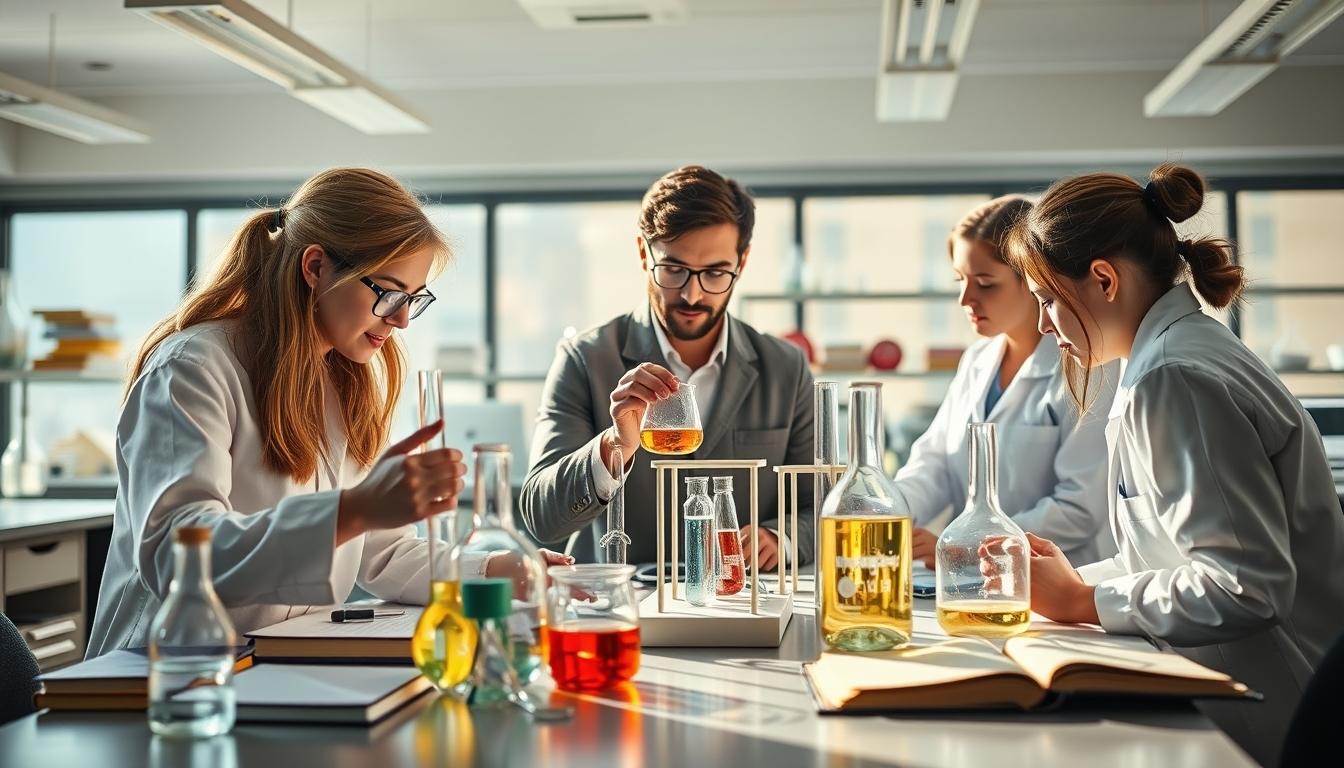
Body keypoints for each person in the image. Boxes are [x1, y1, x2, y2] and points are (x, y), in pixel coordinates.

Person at [88, 168, 567, 656]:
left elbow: (384, 551)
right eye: (389, 293)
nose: (402, 319)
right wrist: (354, 510)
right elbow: (178, 555)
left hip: (271, 664)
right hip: (160, 672)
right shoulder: (193, 367)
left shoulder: (341, 383)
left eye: (413, 299)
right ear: (315, 267)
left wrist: (498, 570)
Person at [1006, 162, 1344, 766]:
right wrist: (1074, 582)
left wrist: (1082, 603)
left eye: (1047, 300)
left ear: (1104, 279)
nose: (1042, 325)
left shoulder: (1175, 376)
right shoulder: (1172, 357)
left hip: (1275, 715)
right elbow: (1169, 560)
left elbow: (1247, 588)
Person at [521, 165, 815, 568]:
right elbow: (541, 517)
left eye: (715, 273)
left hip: (742, 596)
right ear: (644, 254)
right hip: (620, 598)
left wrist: (780, 537)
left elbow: (822, 504)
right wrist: (615, 445)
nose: (692, 295)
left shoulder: (786, 367)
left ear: (742, 262)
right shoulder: (584, 359)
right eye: (674, 269)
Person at [897, 196, 1117, 569]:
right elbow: (933, 465)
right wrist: (885, 510)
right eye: (960, 280)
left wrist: (966, 546)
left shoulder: (1089, 366)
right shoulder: (977, 360)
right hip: (977, 580)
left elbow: (1078, 508)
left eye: (985, 284)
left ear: (1033, 279)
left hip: (1058, 579)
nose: (965, 299)